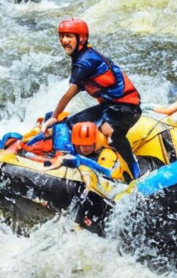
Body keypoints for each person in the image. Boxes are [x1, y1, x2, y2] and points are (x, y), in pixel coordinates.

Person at [40, 19, 142, 179]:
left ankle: (62, 159)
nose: (64, 41)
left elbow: (69, 94)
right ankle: (76, 158)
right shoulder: (84, 57)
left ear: (81, 39)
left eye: (69, 36)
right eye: (61, 36)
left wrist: (54, 117)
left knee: (106, 132)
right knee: (74, 124)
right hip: (112, 106)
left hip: (125, 108)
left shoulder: (85, 62)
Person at [45, 121, 131, 182]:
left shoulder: (106, 153)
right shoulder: (65, 144)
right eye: (83, 145)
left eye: (89, 145)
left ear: (94, 142)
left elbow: (104, 173)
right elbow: (60, 125)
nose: (86, 148)